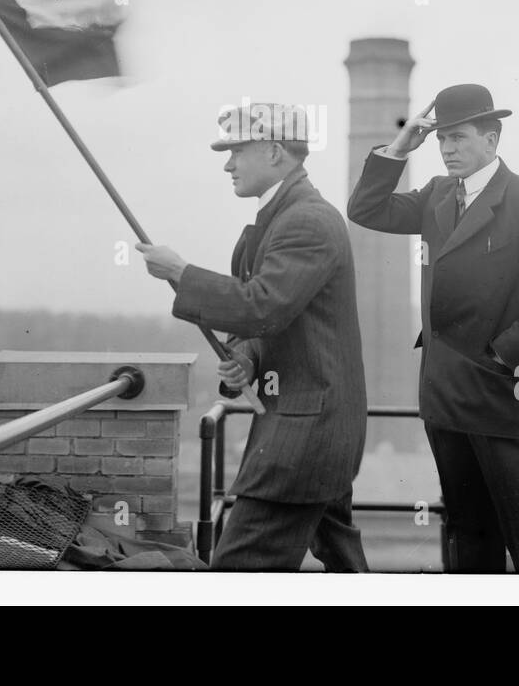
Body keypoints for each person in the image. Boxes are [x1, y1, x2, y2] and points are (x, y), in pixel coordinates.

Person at [347, 84, 519, 573]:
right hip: (442, 395)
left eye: (457, 138)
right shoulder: (437, 194)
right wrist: (398, 149)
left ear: (492, 140)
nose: (447, 149)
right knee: (467, 533)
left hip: (498, 396)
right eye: (441, 140)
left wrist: (501, 357)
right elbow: (365, 210)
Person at [137, 101, 368, 571]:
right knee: (343, 562)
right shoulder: (275, 221)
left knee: (238, 570)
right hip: (317, 428)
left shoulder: (307, 220)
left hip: (303, 437)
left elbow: (263, 305)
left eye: (237, 151)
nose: (227, 163)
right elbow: (272, 324)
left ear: (275, 152)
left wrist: (181, 273)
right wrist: (246, 358)